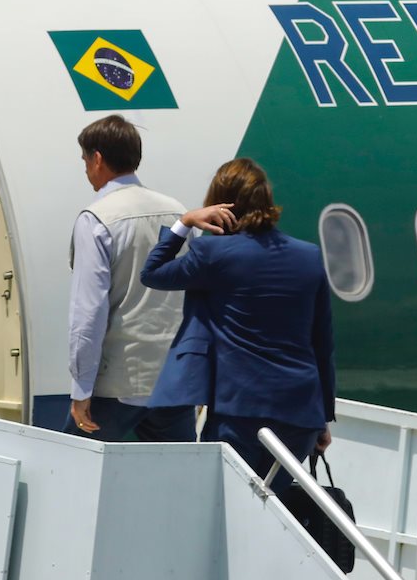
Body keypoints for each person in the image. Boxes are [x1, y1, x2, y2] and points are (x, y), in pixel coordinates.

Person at [140, 157, 334, 493]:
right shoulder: (309, 255)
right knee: (273, 512)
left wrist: (185, 222)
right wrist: (322, 418)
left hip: (239, 413)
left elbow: (152, 273)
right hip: (299, 415)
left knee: (224, 508)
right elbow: (322, 343)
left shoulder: (213, 253)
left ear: (221, 203)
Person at [62, 114, 195, 442]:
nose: (85, 170)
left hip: (118, 384)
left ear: (97, 159)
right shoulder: (178, 213)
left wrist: (81, 389)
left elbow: (88, 314)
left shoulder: (97, 219)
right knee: (177, 482)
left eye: (84, 160)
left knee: (71, 471)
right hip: (173, 380)